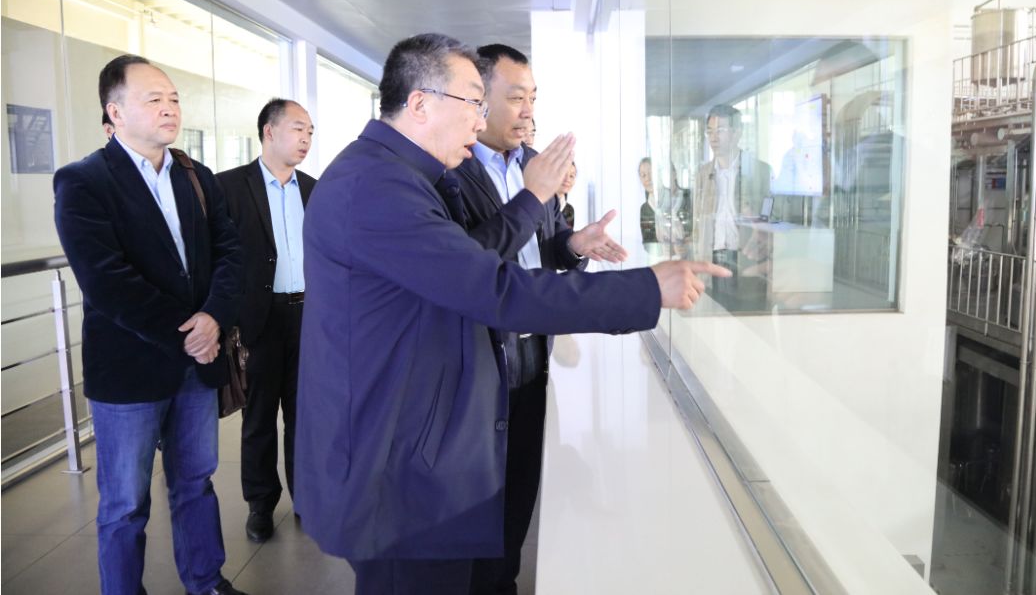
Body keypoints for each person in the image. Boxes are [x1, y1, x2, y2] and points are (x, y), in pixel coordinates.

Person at [294, 33, 726, 595]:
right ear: (420, 103)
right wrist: (646, 288)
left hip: (418, 442)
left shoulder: (406, 174)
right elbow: (494, 286)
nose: (481, 120)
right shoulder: (377, 187)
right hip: (393, 467)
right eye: (474, 102)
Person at [53, 54, 246, 595]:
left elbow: (231, 253)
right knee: (124, 502)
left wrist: (214, 317)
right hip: (131, 369)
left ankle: (206, 582)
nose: (169, 108)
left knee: (195, 483)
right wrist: (193, 333)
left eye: (174, 99)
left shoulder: (194, 175)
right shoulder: (83, 181)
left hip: (198, 366)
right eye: (153, 99)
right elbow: (107, 282)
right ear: (114, 112)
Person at [455, 43, 621, 594]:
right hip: (481, 361)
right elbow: (467, 264)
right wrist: (532, 196)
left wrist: (575, 244)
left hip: (533, 351)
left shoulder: (533, 166)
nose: (528, 111)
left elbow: (546, 246)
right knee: (479, 497)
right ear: (479, 100)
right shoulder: (451, 172)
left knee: (522, 486)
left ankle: (504, 581)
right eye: (516, 98)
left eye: (533, 98)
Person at [217, 98, 316, 543]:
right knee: (258, 418)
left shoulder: (314, 189)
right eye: (298, 129)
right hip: (258, 318)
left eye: (310, 132)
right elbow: (220, 257)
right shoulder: (230, 187)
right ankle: (260, 504)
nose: (306, 139)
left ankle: (306, 498)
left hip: (308, 315)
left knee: (304, 415)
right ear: (269, 132)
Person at [692, 103, 773, 307]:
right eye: (710, 131)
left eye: (720, 130)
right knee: (715, 319)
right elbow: (697, 222)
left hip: (747, 260)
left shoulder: (760, 171)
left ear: (737, 133)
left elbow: (772, 220)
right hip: (711, 260)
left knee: (749, 317)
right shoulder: (703, 174)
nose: (713, 138)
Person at [639, 157, 658, 243]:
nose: (647, 179)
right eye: (643, 175)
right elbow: (648, 243)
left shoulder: (679, 199)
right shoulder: (644, 209)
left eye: (651, 173)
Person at [559, 162, 576, 229]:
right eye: (563, 174)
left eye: (571, 176)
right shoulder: (542, 205)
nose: (567, 179)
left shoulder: (569, 210)